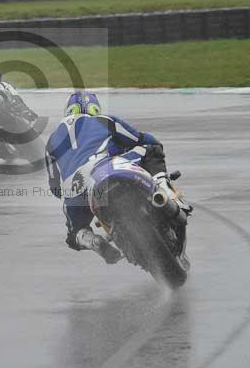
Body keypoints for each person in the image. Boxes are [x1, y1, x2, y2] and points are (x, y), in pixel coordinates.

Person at [44, 91, 167, 264]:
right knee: (152, 149)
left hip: (75, 189)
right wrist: (154, 144)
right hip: (103, 170)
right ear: (96, 108)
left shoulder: (51, 141)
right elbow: (140, 139)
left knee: (73, 234)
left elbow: (55, 188)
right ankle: (163, 191)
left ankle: (91, 240)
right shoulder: (105, 121)